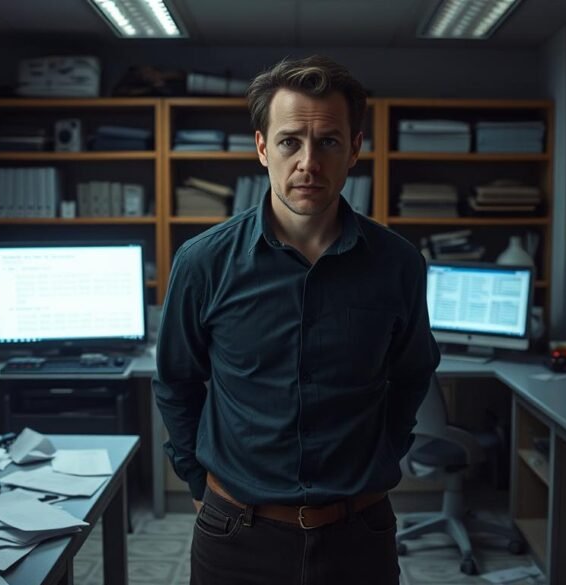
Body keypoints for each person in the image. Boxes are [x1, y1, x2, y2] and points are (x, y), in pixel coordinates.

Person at [152, 55, 440, 585]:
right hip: (235, 534)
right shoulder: (203, 262)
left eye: (328, 141)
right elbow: (176, 381)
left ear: (354, 148)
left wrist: (384, 452)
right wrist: (199, 482)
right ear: (263, 148)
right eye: (290, 142)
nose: (308, 161)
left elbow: (413, 373)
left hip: (359, 534)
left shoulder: (398, 264)